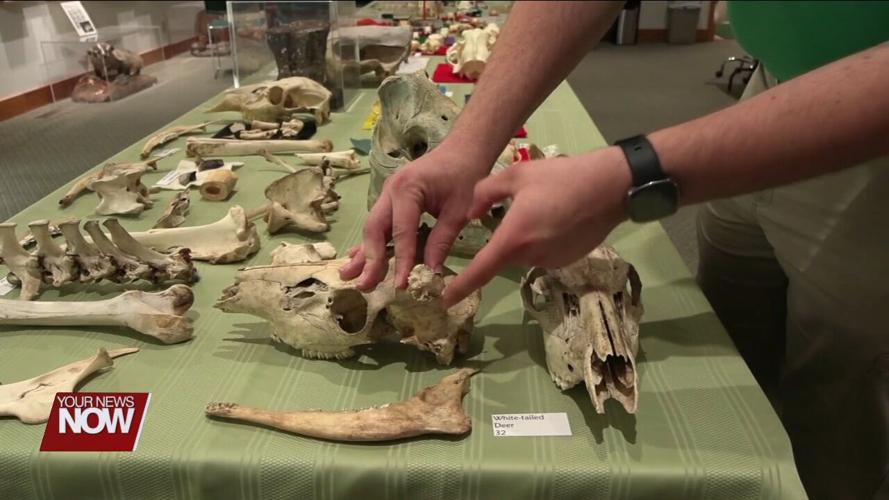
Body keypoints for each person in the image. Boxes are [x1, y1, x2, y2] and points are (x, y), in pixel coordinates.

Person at [341, 2, 889, 497]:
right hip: (769, 86)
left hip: (869, 135)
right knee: (736, 355)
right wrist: (469, 145)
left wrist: (632, 175)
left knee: (833, 403)